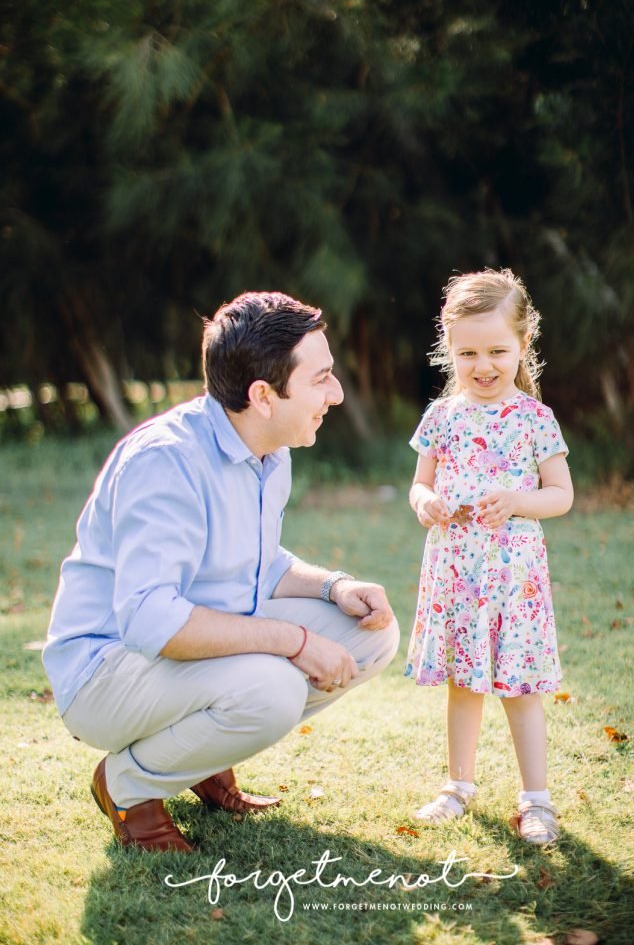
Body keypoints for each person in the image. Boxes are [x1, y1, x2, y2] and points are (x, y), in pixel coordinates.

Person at [43, 291, 399, 853]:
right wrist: (295, 641)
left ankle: (197, 756)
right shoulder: (166, 462)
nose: (336, 393)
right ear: (263, 395)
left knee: (369, 635)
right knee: (275, 686)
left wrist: (336, 586)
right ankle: (126, 786)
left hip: (167, 657)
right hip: (104, 672)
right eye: (322, 378)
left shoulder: (268, 448)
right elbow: (150, 622)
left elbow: (259, 566)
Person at [405, 268, 573, 845]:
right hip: (456, 569)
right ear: (448, 348)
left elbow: (561, 495)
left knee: (520, 687)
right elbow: (418, 484)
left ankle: (536, 800)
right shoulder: (442, 416)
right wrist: (427, 502)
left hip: (514, 576)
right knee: (464, 682)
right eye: (469, 352)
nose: (484, 365)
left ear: (523, 345)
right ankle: (458, 786)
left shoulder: (534, 419)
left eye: (498, 350)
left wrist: (517, 499)